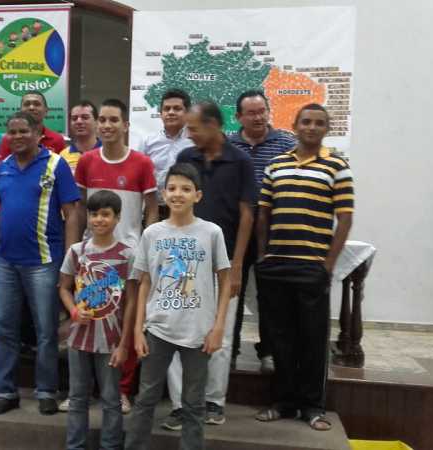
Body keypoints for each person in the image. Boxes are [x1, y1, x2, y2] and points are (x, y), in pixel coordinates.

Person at [254, 104, 354, 431]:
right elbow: (264, 213)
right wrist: (263, 256)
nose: (311, 127)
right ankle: (283, 403)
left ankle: (312, 407)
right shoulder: (276, 165)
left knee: (312, 340)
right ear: (295, 125)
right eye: (306, 122)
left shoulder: (337, 166)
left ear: (327, 128)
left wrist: (328, 265)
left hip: (312, 267)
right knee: (280, 340)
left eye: (319, 123)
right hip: (276, 265)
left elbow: (345, 219)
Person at [161, 101, 255, 430]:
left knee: (221, 335)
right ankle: (180, 405)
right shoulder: (186, 158)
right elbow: (173, 204)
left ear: (214, 125)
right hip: (183, 261)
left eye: (194, 128)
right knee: (176, 331)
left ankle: (214, 401)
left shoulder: (240, 161)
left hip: (223, 263)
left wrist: (238, 265)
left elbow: (247, 215)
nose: (189, 134)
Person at [125, 163, 231, 450]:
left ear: (198, 195)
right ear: (163, 194)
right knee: (146, 398)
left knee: (194, 403)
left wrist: (218, 327)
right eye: (171, 188)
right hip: (158, 329)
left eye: (185, 189)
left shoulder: (211, 233)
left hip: (199, 332)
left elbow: (225, 281)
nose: (177, 194)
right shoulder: (152, 233)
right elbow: (145, 282)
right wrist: (138, 330)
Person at [0, 112, 80, 416]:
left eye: (23, 131)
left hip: (44, 261)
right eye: (12, 132)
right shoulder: (3, 167)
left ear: (38, 133)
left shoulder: (55, 164)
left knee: (46, 331)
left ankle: (46, 391)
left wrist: (70, 261)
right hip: (5, 260)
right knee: (3, 329)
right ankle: (5, 392)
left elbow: (72, 214)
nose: (17, 137)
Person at [74, 98, 157, 413]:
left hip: (130, 258)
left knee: (126, 323)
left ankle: (121, 390)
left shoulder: (142, 163)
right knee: (91, 319)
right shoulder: (87, 162)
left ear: (126, 125)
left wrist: (147, 251)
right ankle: (85, 391)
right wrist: (76, 248)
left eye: (113, 120)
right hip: (93, 257)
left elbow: (152, 210)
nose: (107, 126)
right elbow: (80, 209)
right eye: (103, 120)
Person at [59, 190, 136, 450]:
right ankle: (75, 446)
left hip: (112, 340)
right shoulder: (76, 251)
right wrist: (73, 310)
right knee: (77, 397)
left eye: (106, 214)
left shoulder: (127, 255)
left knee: (112, 399)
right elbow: (63, 288)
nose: (99, 220)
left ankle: (110, 446)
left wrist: (124, 343)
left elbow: (131, 302)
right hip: (79, 338)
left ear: (117, 218)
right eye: (94, 214)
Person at [228, 89, 297, 373]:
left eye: (262, 111)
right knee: (233, 290)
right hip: (236, 230)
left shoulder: (287, 143)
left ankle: (269, 350)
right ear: (239, 117)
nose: (258, 117)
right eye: (251, 113)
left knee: (270, 293)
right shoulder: (228, 145)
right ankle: (229, 349)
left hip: (273, 231)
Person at [139, 88, 194, 218]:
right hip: (154, 210)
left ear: (187, 113)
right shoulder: (148, 142)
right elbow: (139, 177)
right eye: (166, 109)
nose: (171, 112)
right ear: (161, 113)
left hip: (187, 211)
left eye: (177, 108)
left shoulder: (195, 142)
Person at [0, 91, 66, 161]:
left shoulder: (57, 140)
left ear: (46, 111)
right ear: (20, 110)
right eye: (27, 104)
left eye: (37, 104)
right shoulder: (9, 139)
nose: (31, 107)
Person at [59, 100, 102, 173]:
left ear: (97, 122)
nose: (79, 121)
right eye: (74, 118)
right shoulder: (63, 157)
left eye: (85, 117)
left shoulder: (108, 152)